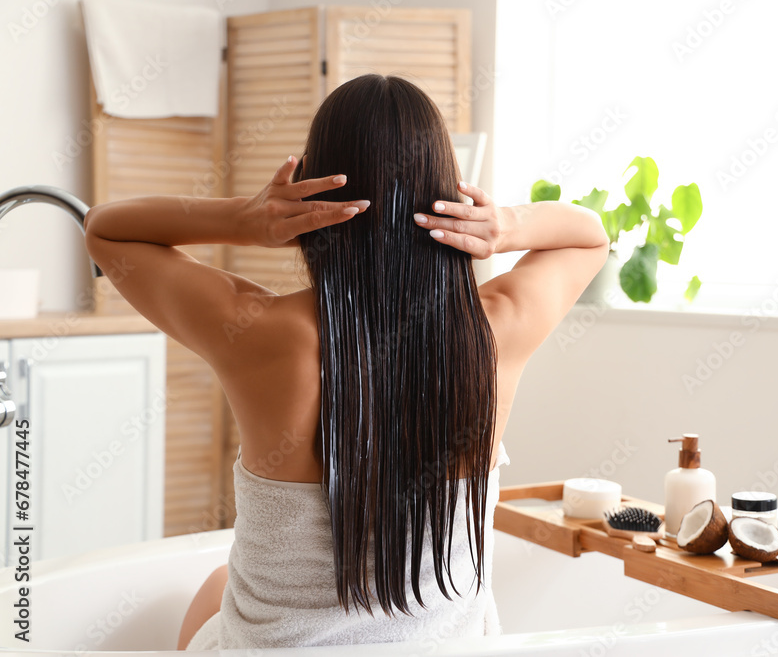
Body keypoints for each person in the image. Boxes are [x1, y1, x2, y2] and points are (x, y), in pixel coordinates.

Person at [84, 73, 608, 650]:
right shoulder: (497, 328)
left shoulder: (258, 330)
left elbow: (106, 230)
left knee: (214, 586)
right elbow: (589, 235)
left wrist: (246, 220)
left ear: (313, 191)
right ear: (446, 195)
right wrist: (505, 226)